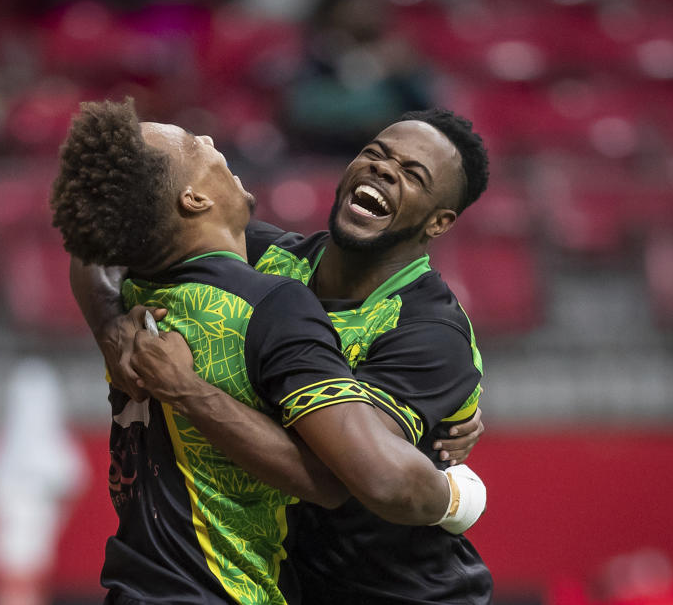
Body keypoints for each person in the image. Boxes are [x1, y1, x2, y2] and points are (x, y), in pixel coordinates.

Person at [50, 99, 487, 605]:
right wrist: (110, 327)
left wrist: (458, 498)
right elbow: (106, 235)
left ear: (438, 222)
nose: (383, 170)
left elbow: (349, 471)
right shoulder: (258, 259)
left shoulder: (429, 333)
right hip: (280, 579)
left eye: (412, 173)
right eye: (375, 153)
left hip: (393, 590)